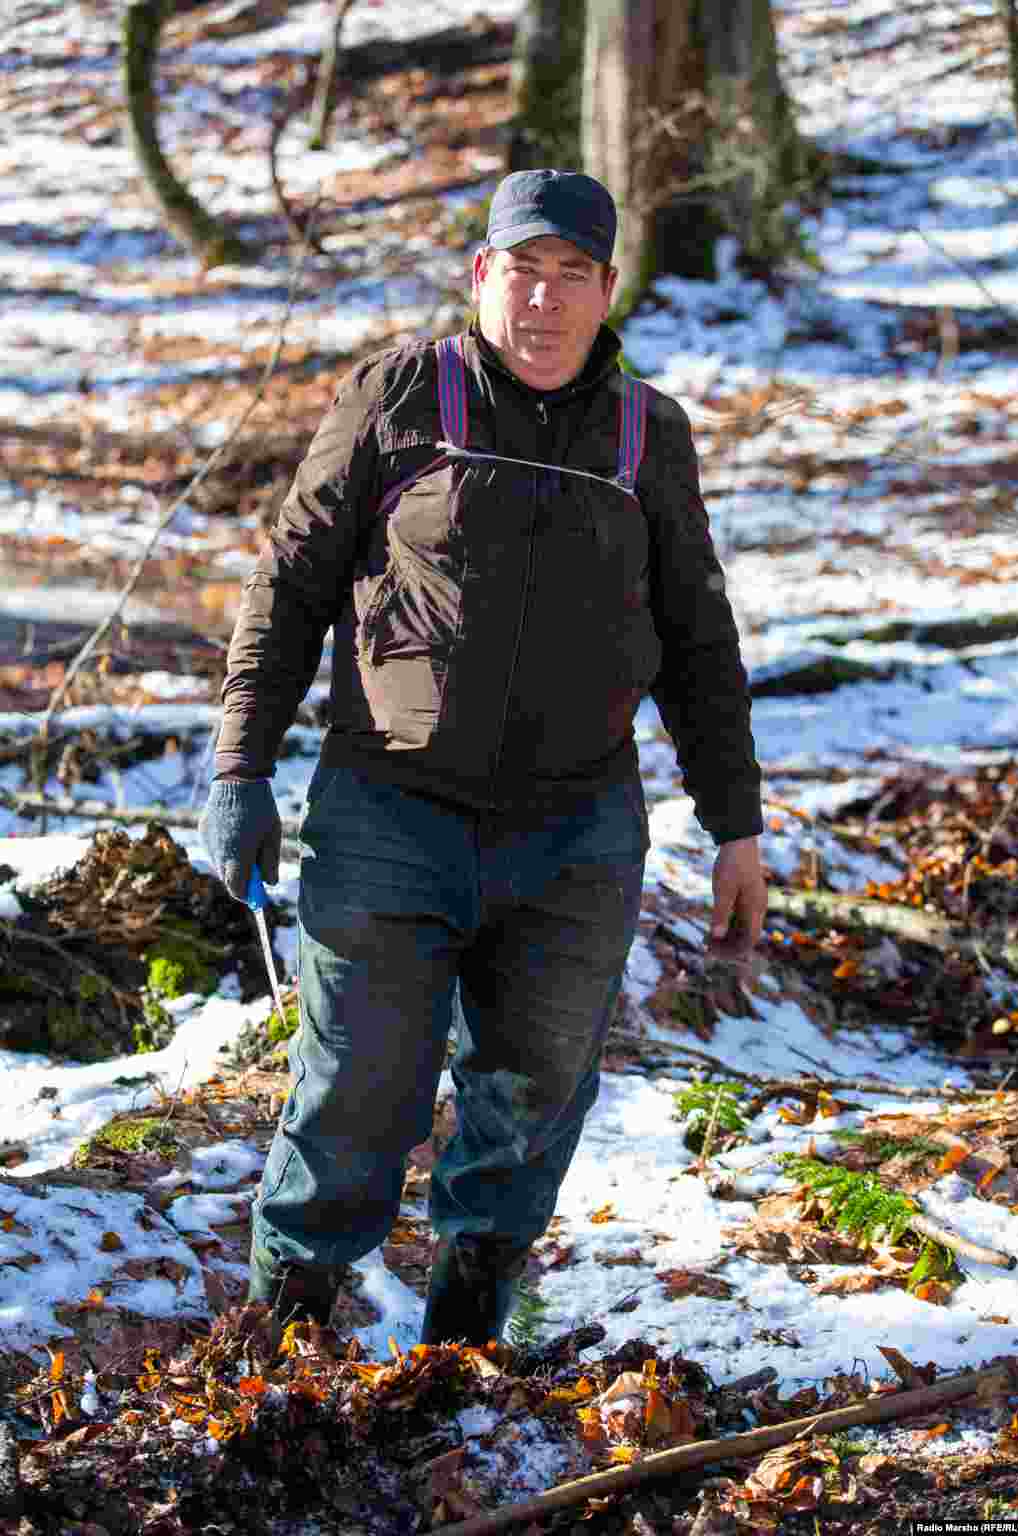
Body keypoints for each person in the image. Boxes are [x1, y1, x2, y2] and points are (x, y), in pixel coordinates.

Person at [200, 169, 766, 1345]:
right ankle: (274, 1354)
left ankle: (458, 1357)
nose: (545, 302)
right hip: (388, 809)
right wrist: (238, 770)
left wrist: (735, 826)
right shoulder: (399, 394)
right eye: (525, 270)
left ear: (608, 291)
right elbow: (290, 585)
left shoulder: (646, 433)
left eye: (573, 276)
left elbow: (698, 639)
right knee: (359, 1088)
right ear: (481, 276)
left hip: (573, 832)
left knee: (534, 1098)